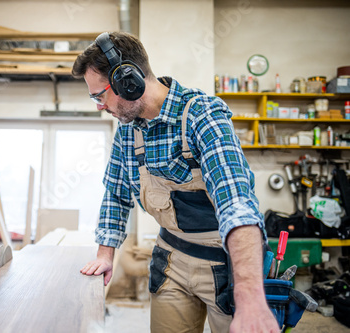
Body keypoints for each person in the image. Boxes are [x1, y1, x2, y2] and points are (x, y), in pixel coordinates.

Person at [72, 31, 279, 333]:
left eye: (98, 95)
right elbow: (116, 194)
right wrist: (106, 254)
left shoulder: (202, 115)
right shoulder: (128, 132)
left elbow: (237, 203)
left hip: (226, 264)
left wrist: (250, 299)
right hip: (171, 259)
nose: (99, 106)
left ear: (126, 81)